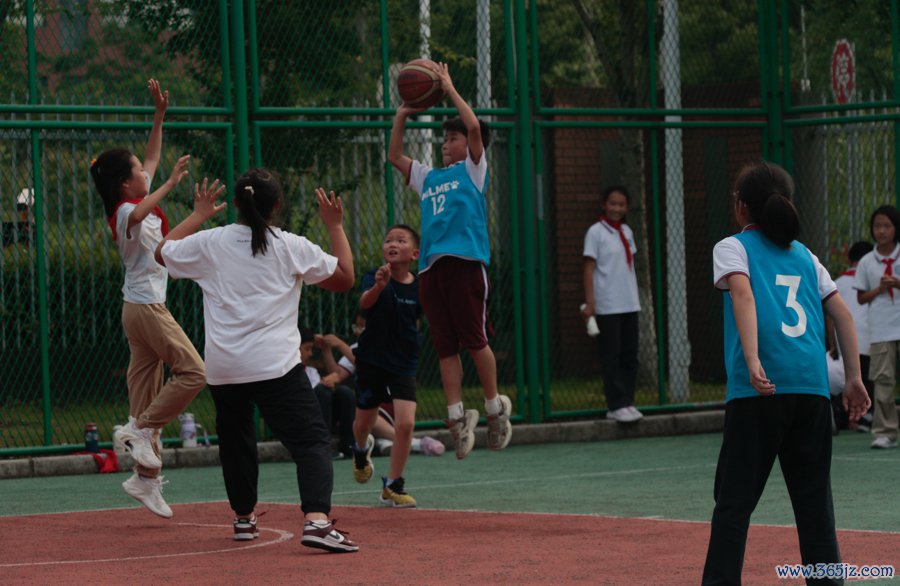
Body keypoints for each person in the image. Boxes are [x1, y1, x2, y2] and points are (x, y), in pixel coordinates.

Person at [155, 169, 359, 553]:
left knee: (236, 442)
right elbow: (345, 277)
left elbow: (160, 252)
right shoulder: (290, 245)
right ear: (277, 206)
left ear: (235, 203)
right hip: (274, 366)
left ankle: (244, 519)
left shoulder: (211, 241)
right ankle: (316, 521)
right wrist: (334, 225)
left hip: (225, 367)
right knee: (311, 441)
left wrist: (198, 214)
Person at [702, 162, 871, 585]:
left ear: (741, 207)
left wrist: (752, 358)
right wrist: (854, 378)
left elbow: (743, 294)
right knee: (815, 507)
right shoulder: (806, 256)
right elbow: (843, 315)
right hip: (812, 391)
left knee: (734, 504)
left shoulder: (733, 247)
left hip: (758, 393)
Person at [90, 78, 205, 519]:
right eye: (139, 170)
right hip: (147, 307)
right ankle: (139, 430)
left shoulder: (138, 198)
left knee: (145, 398)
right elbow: (140, 211)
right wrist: (173, 184)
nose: (147, 170)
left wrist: (159, 115)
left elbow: (153, 156)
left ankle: (145, 478)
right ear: (125, 184)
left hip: (137, 309)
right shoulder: (124, 212)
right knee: (194, 372)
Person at [388, 61, 512, 460]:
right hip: (431, 269)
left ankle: (494, 408)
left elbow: (474, 127)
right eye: (445, 139)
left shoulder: (473, 170)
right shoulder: (429, 177)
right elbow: (394, 155)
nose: (446, 143)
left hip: (466, 264)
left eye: (453, 138)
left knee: (474, 339)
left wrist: (449, 87)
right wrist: (402, 114)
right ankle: (457, 417)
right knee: (445, 348)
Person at [349, 224, 428, 508]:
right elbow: (364, 304)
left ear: (415, 253)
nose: (393, 244)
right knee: (363, 423)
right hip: (372, 360)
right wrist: (379, 287)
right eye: (388, 240)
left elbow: (417, 318)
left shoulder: (420, 286)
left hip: (404, 362)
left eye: (401, 240)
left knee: (406, 423)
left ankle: (393, 486)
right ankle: (361, 450)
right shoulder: (375, 276)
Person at [319, 314, 444, 458]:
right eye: (356, 326)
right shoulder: (355, 347)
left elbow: (365, 362)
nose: (358, 331)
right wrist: (326, 350)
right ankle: (381, 442)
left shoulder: (390, 345)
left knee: (364, 412)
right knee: (354, 410)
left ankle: (416, 443)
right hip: (372, 403)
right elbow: (338, 374)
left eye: (363, 327)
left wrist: (340, 345)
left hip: (393, 404)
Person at [581, 186, 643, 423]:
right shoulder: (595, 232)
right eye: (612, 203)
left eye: (621, 204)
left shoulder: (627, 231)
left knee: (630, 355)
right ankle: (615, 404)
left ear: (626, 207)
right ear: (604, 205)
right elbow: (589, 268)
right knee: (611, 356)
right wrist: (591, 302)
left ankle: (627, 401)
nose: (617, 208)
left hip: (629, 303)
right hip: (608, 304)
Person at [854, 206, 900, 449]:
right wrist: (880, 289)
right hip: (881, 329)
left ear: (896, 229)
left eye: (887, 226)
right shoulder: (866, 262)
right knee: (883, 381)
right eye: (877, 226)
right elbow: (861, 297)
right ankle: (885, 431)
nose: (881, 231)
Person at [834, 241, 874, 431]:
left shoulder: (837, 282)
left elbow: (830, 318)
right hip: (869, 337)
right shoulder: (872, 280)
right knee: (867, 377)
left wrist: (832, 344)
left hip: (844, 340)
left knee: (848, 378)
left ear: (849, 259)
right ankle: (865, 417)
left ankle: (848, 417)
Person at [300, 326, 356, 460]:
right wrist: (322, 385)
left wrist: (326, 349)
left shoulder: (312, 372)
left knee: (343, 392)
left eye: (312, 349)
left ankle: (349, 446)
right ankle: (323, 448)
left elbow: (336, 376)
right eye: (307, 349)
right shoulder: (287, 372)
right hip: (301, 420)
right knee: (322, 391)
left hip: (319, 418)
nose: (310, 354)